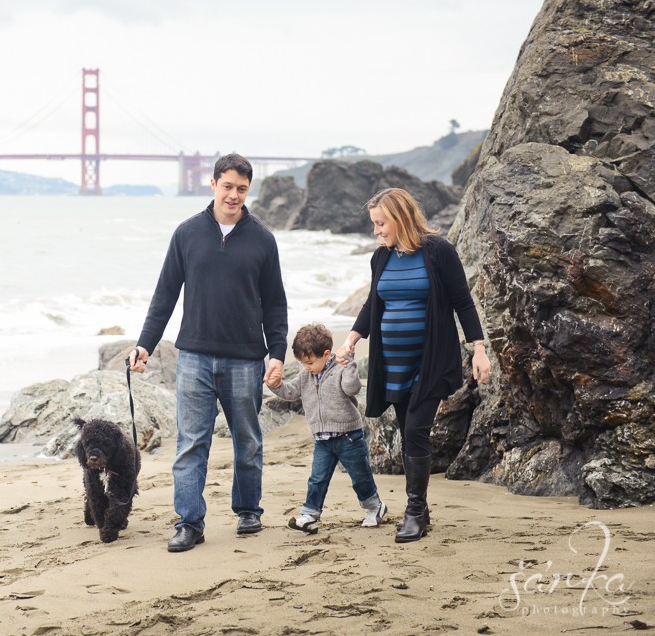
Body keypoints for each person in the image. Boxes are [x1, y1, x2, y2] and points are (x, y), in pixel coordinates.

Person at [128, 153, 288, 553]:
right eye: (228, 186)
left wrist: (277, 353)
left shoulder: (263, 239)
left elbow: (275, 305)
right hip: (194, 358)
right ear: (213, 183)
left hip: (245, 359)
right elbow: (164, 295)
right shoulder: (187, 234)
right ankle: (189, 522)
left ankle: (249, 510)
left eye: (242, 189)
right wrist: (144, 344)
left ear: (248, 191)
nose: (233, 195)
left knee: (247, 441)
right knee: (190, 444)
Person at [337, 187, 491, 543]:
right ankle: (420, 505)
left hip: (431, 361)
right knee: (408, 433)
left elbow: (463, 304)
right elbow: (372, 305)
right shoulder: (381, 258)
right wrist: (351, 339)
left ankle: (415, 511)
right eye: (374, 224)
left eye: (381, 224)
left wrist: (478, 349)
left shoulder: (438, 251)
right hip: (392, 364)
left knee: (417, 431)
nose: (376, 231)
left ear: (400, 217)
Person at [266, 323, 387, 534]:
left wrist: (349, 365)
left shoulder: (340, 369)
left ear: (326, 354)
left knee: (360, 477)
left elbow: (353, 388)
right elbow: (291, 392)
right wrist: (275, 385)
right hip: (322, 439)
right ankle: (310, 514)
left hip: (349, 436)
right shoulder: (306, 375)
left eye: (310, 362)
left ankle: (374, 507)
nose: (307, 367)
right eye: (303, 363)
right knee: (317, 478)